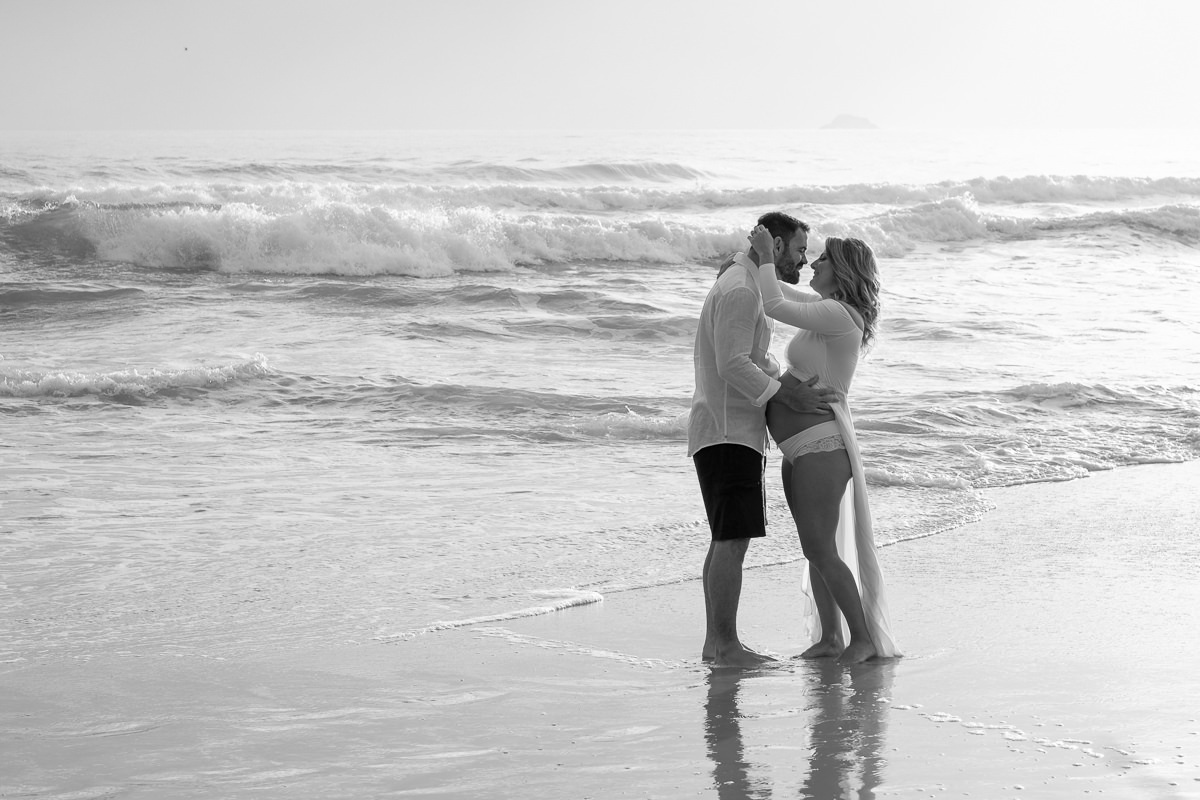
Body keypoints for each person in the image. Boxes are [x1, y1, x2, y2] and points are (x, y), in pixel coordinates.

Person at [688, 211, 838, 668]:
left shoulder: (744, 280)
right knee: (731, 540)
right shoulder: (739, 289)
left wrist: (779, 376)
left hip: (728, 429)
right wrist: (786, 391)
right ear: (773, 244)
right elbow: (732, 363)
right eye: (796, 250)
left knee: (725, 539)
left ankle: (718, 644)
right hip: (729, 431)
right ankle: (725, 646)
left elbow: (748, 357)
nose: (802, 260)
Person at [747, 224, 900, 664]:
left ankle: (863, 638)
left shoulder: (839, 316)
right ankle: (831, 638)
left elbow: (774, 302)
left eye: (824, 259)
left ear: (844, 271)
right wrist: (748, 265)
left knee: (820, 548)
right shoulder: (826, 307)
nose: (813, 263)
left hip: (821, 446)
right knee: (813, 548)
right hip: (801, 449)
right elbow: (773, 290)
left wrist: (762, 253)